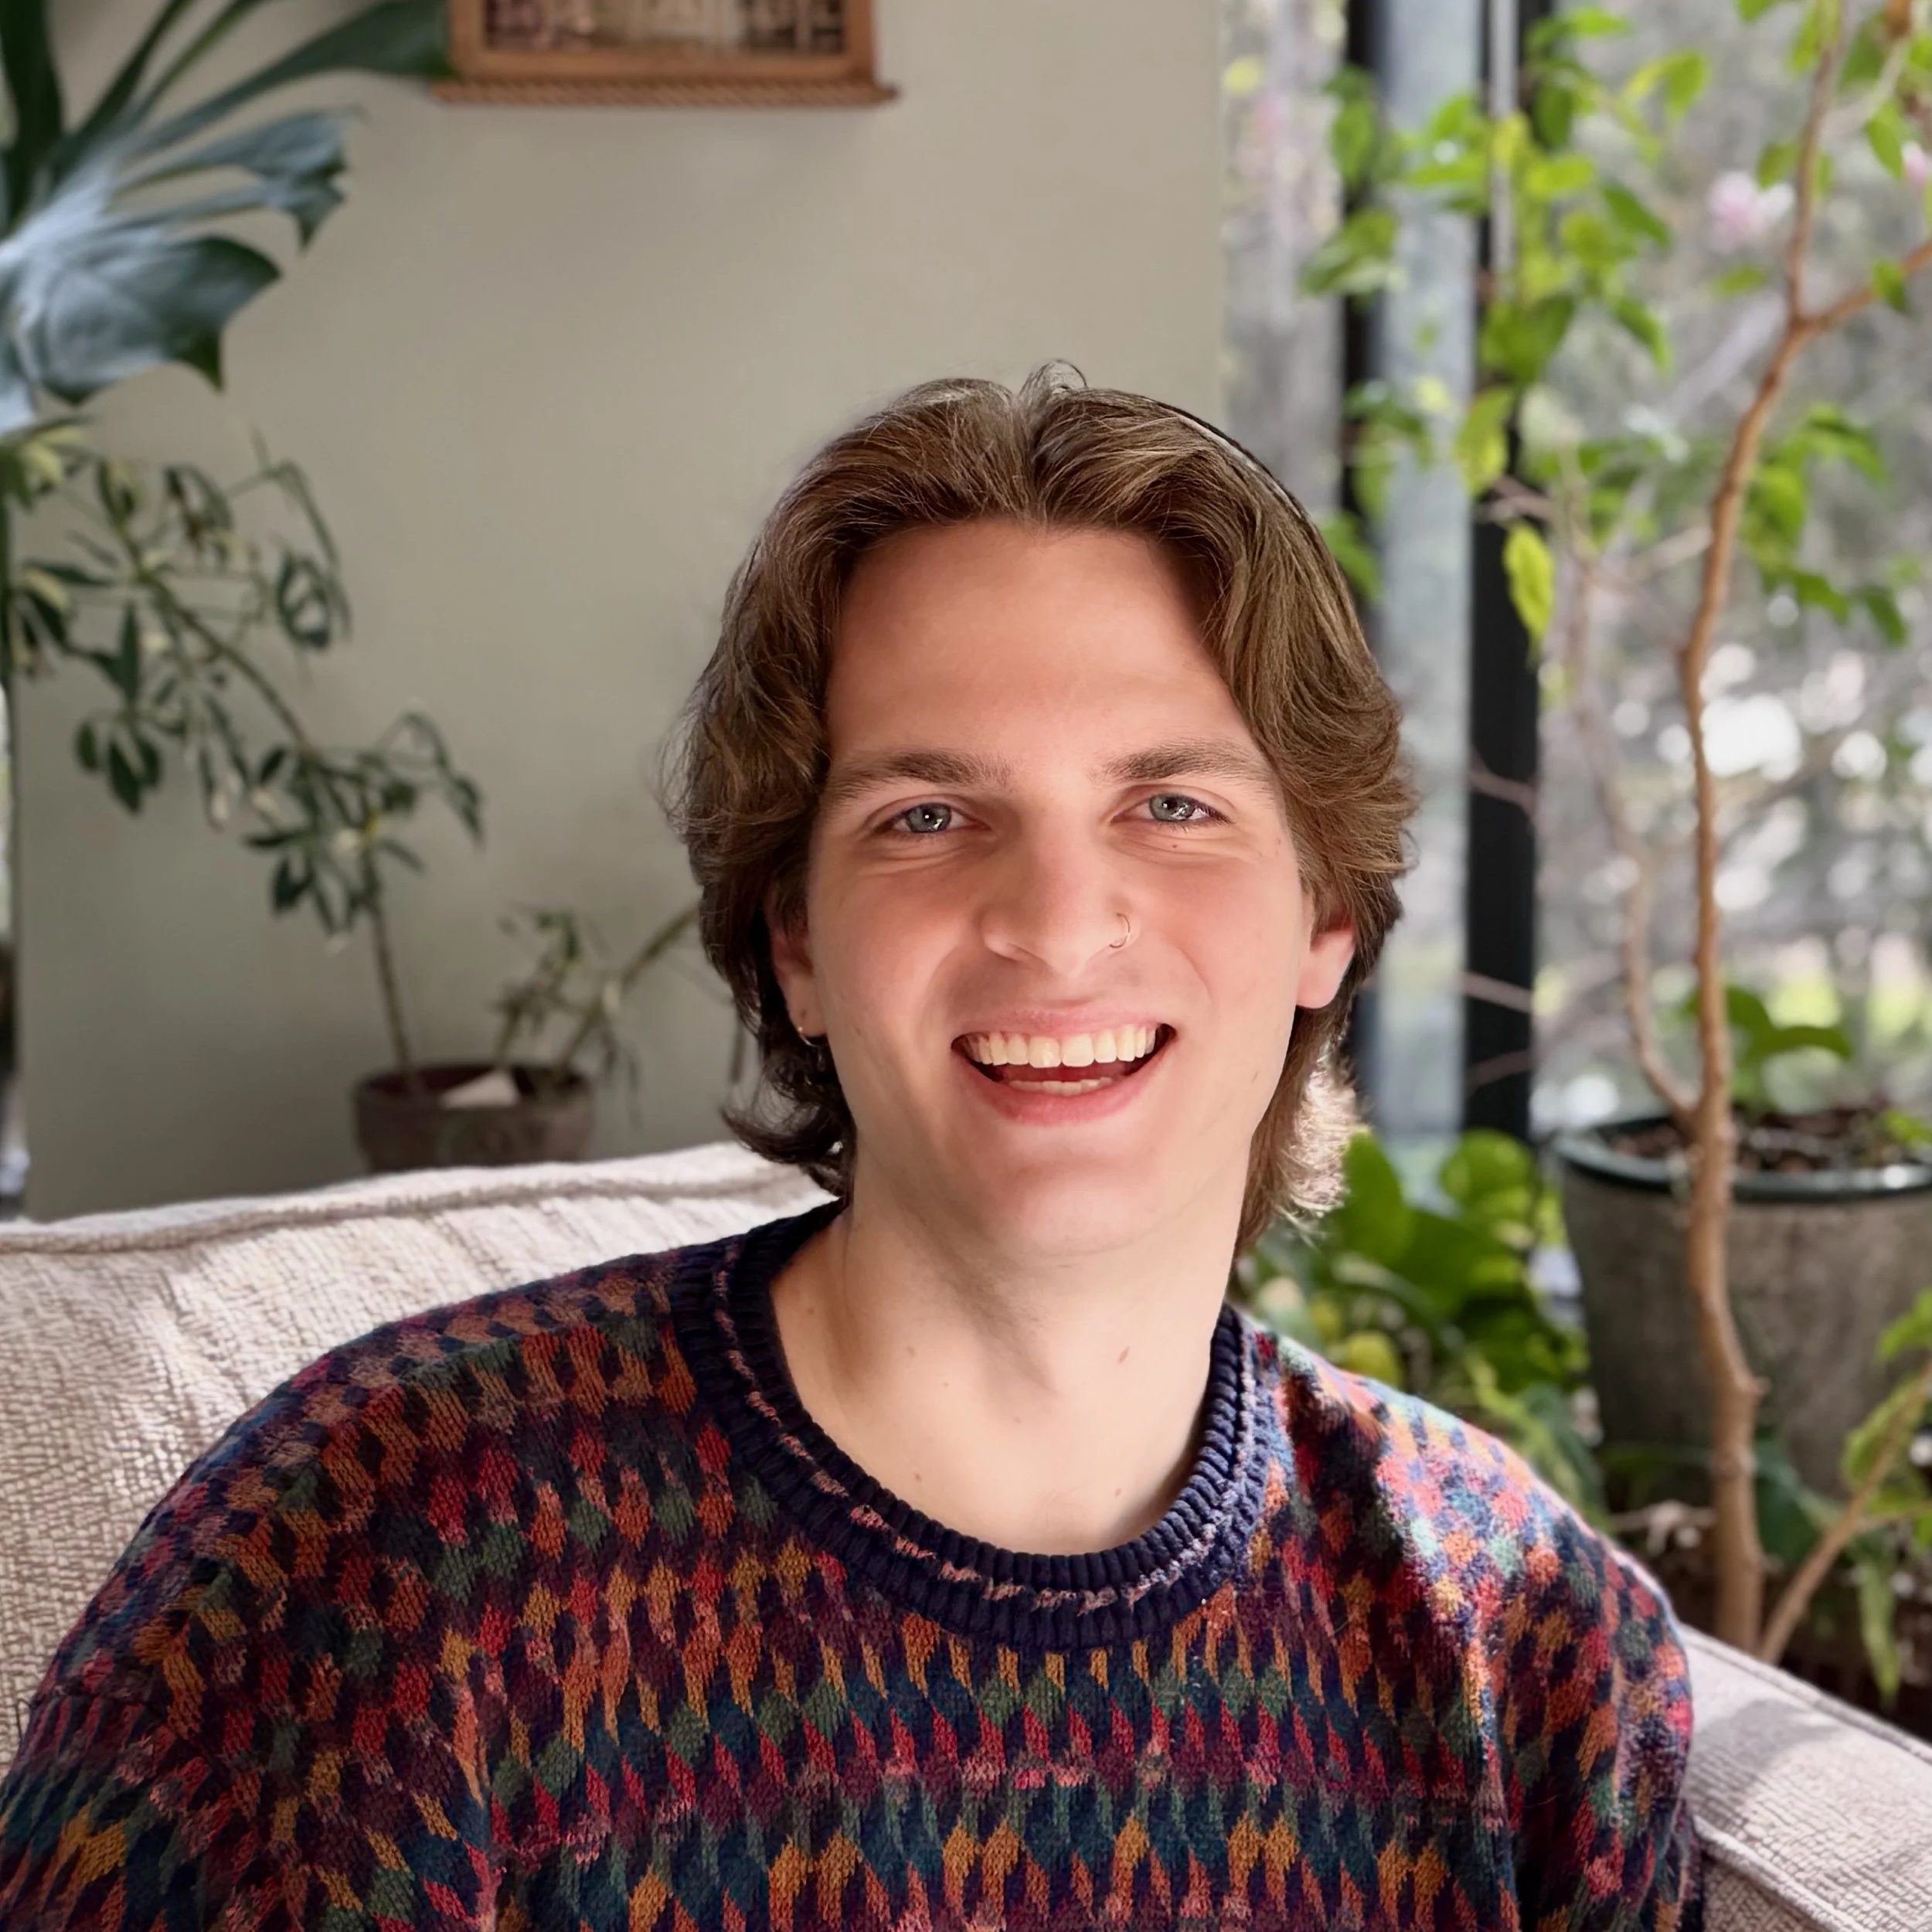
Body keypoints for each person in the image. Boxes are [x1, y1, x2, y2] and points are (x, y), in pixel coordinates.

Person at [0, 369, 1699, 1930]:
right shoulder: (376, 1561)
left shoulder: (1523, 1645)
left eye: (1171, 805)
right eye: (927, 814)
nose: (1057, 923)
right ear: (796, 940)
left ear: (1326, 912)